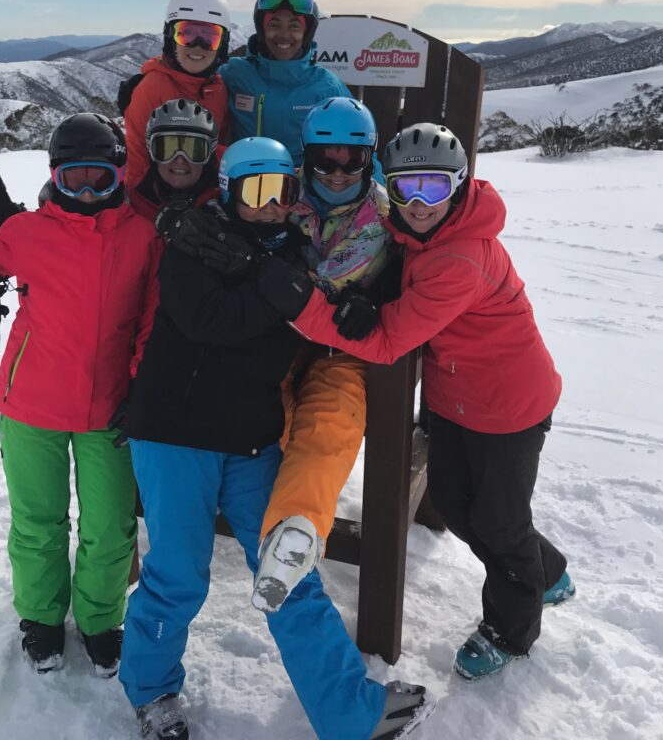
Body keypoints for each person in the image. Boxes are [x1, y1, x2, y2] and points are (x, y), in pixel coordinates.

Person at [119, 136, 433, 740]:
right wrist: (282, 290)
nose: (270, 205)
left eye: (282, 192)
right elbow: (213, 320)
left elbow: (317, 309)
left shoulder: (292, 251)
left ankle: (350, 713)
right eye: (256, 191)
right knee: (178, 574)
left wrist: (351, 304)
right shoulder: (193, 243)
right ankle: (153, 692)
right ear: (230, 189)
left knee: (292, 570)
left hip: (253, 440)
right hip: (175, 434)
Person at [256, 122, 574, 682]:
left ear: (458, 185)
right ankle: (544, 570)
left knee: (499, 524)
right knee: (452, 504)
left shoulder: (460, 259)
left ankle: (511, 628)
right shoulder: (413, 233)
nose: (419, 202)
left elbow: (387, 343)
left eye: (433, 187)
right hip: (456, 399)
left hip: (510, 404)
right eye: (406, 188)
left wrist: (304, 306)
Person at [0, 116, 161, 677]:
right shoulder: (28, 233)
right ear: (54, 176)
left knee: (110, 527)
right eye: (72, 177)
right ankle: (41, 618)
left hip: (110, 410)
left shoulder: (141, 237)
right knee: (38, 523)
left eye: (98, 179)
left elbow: (152, 322)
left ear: (119, 176)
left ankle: (102, 621)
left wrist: (140, 386)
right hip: (31, 406)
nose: (84, 191)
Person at [251, 96, 394, 613]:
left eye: (351, 160)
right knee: (263, 404)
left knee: (333, 417)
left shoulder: (385, 215)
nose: (337, 173)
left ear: (368, 158)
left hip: (342, 347)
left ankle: (295, 530)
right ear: (306, 157)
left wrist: (373, 298)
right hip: (276, 337)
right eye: (324, 160)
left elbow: (413, 272)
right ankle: (279, 519)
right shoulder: (277, 196)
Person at [219, 0, 353, 165]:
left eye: (294, 26)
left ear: (306, 33)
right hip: (244, 185)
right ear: (262, 28)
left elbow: (359, 140)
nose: (284, 35)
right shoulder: (236, 75)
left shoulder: (326, 88)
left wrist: (375, 188)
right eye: (274, 25)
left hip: (302, 189)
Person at [122, 0, 231, 189]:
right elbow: (137, 165)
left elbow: (214, 153)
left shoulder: (218, 89)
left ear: (222, 44)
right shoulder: (152, 88)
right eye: (186, 34)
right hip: (157, 203)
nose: (198, 46)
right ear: (170, 38)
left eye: (210, 38)